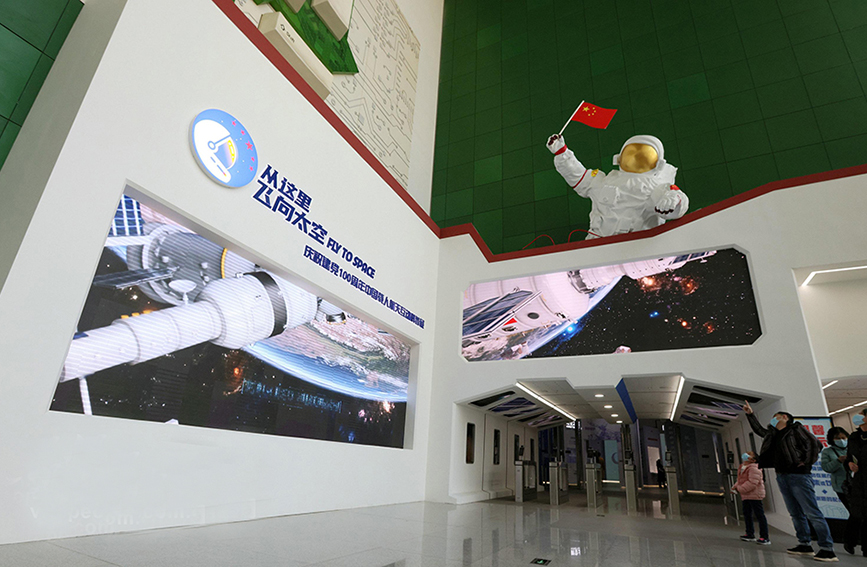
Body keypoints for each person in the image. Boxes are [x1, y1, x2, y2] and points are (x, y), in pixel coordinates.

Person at [743, 400, 837, 562]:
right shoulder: (773, 434)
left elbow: (814, 444)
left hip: (799, 475)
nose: (773, 420)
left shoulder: (796, 429)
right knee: (795, 512)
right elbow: (760, 430)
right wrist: (750, 415)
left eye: (776, 417)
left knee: (812, 512)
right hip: (782, 475)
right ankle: (804, 543)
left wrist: (805, 463)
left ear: (785, 417)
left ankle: (827, 548)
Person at [546, 134, 689, 239]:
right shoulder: (604, 182)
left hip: (632, 250)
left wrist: (674, 200)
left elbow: (673, 207)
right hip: (595, 246)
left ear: (658, 164)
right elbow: (579, 177)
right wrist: (562, 153)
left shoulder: (655, 189)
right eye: (631, 152)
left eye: (644, 155)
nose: (635, 157)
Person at [821, 427, 857, 553]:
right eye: (837, 438)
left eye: (843, 437)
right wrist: (838, 461)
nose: (841, 440)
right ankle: (849, 540)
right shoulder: (828, 452)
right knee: (855, 513)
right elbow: (826, 467)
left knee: (858, 513)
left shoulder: (852, 449)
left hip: (857, 485)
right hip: (842, 487)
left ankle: (851, 540)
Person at [732, 451, 770, 545]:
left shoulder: (754, 468)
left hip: (755, 494)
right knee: (747, 514)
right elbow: (740, 480)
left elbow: (752, 483)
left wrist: (740, 489)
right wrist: (735, 486)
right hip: (746, 495)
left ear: (753, 460)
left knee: (759, 515)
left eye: (749, 454)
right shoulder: (743, 467)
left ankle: (764, 536)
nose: (746, 455)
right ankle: (749, 533)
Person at [846, 409, 867, 556]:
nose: (858, 417)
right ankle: (850, 541)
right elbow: (849, 457)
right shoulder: (853, 437)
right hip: (858, 481)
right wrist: (849, 464)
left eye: (862, 415)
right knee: (856, 513)